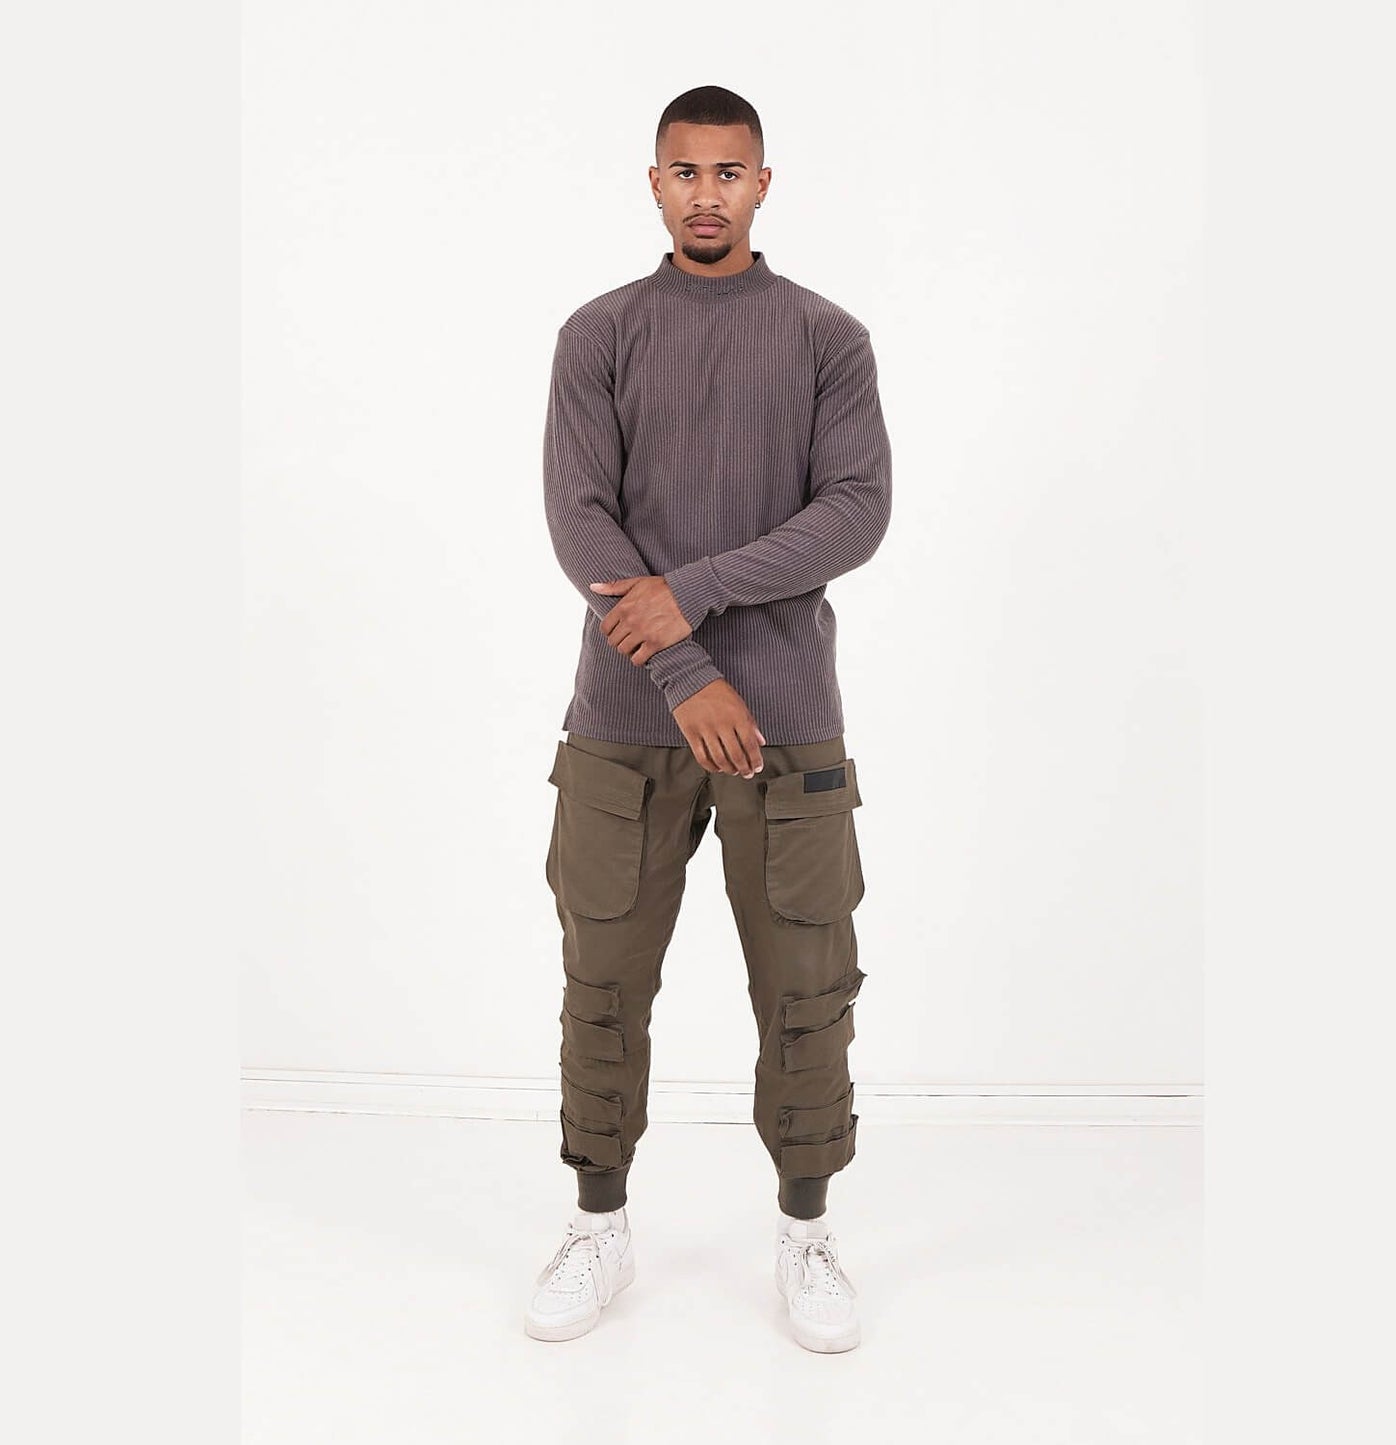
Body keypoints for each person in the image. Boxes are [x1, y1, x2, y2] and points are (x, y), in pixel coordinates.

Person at [524, 85, 891, 1354]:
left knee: (807, 985)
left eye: (727, 172)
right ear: (654, 181)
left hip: (786, 718)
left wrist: (693, 590)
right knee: (601, 980)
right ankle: (597, 1222)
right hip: (623, 719)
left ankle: (805, 1232)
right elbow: (579, 519)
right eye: (683, 171)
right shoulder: (599, 334)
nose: (705, 193)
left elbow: (854, 511)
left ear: (762, 184)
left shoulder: (825, 337)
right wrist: (686, 671)